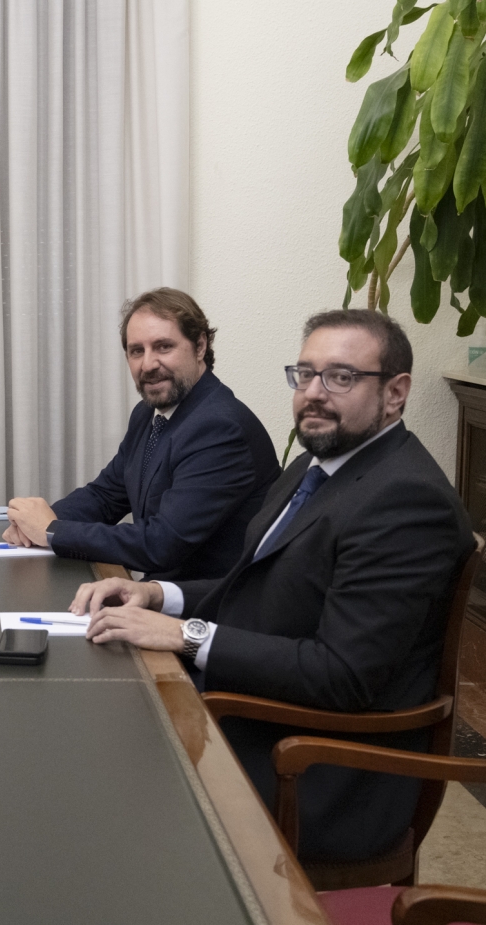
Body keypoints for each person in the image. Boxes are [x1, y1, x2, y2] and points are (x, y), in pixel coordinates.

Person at [72, 310, 474, 863]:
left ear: (396, 393)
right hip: (254, 709)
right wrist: (158, 595)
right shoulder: (315, 465)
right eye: (304, 374)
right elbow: (259, 583)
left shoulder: (405, 501)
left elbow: (343, 675)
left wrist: (185, 634)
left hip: (313, 766)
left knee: (92, 790)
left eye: (341, 377)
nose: (313, 393)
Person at [3, 288, 279, 581]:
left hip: (206, 610)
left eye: (163, 347)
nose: (148, 365)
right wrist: (35, 523)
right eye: (137, 351)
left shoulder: (220, 428)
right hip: (158, 593)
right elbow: (106, 495)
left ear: (200, 346)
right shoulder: (148, 414)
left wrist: (52, 531)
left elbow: (162, 543)